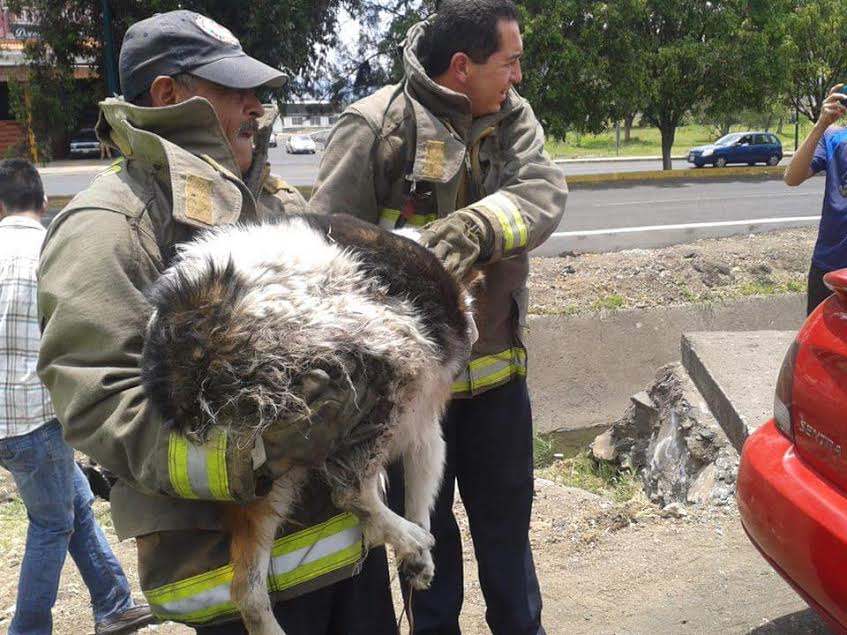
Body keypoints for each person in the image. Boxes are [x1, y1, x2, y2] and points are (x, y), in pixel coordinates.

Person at [37, 11, 396, 634]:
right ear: (168, 96)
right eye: (234, 89)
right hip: (232, 582)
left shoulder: (275, 205)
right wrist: (251, 453)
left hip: (346, 555)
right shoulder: (109, 226)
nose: (257, 105)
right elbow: (100, 403)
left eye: (257, 91)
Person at [310, 1, 567, 633]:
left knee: (508, 548)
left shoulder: (512, 120)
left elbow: (543, 193)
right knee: (427, 556)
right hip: (408, 405)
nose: (517, 79)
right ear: (462, 67)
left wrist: (477, 225)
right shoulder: (373, 128)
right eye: (509, 63)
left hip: (498, 384)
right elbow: (322, 249)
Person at [0, 159, 154, 635]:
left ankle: (114, 603)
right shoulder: (52, 250)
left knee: (77, 503)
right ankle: (28, 629)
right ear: (44, 202)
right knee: (51, 524)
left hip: (7, 422)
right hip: (37, 418)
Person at [784, 83, 847, 314]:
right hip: (829, 264)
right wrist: (821, 124)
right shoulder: (833, 137)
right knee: (823, 346)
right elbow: (792, 177)